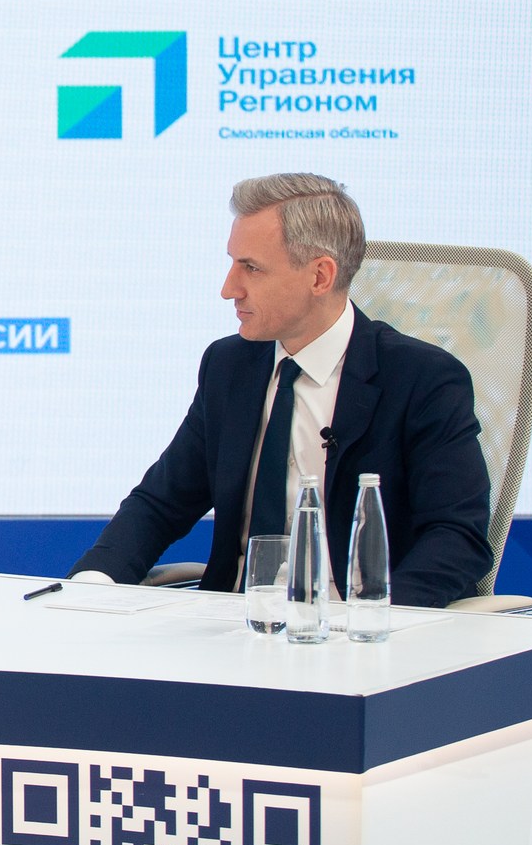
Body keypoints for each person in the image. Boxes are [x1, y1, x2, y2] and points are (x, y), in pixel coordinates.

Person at [70, 173, 491, 608]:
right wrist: (92, 583)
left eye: (251, 268)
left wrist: (370, 620)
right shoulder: (228, 366)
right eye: (232, 263)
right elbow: (160, 504)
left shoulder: (423, 379)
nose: (228, 289)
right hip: (231, 626)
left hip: (356, 629)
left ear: (320, 276)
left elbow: (456, 536)